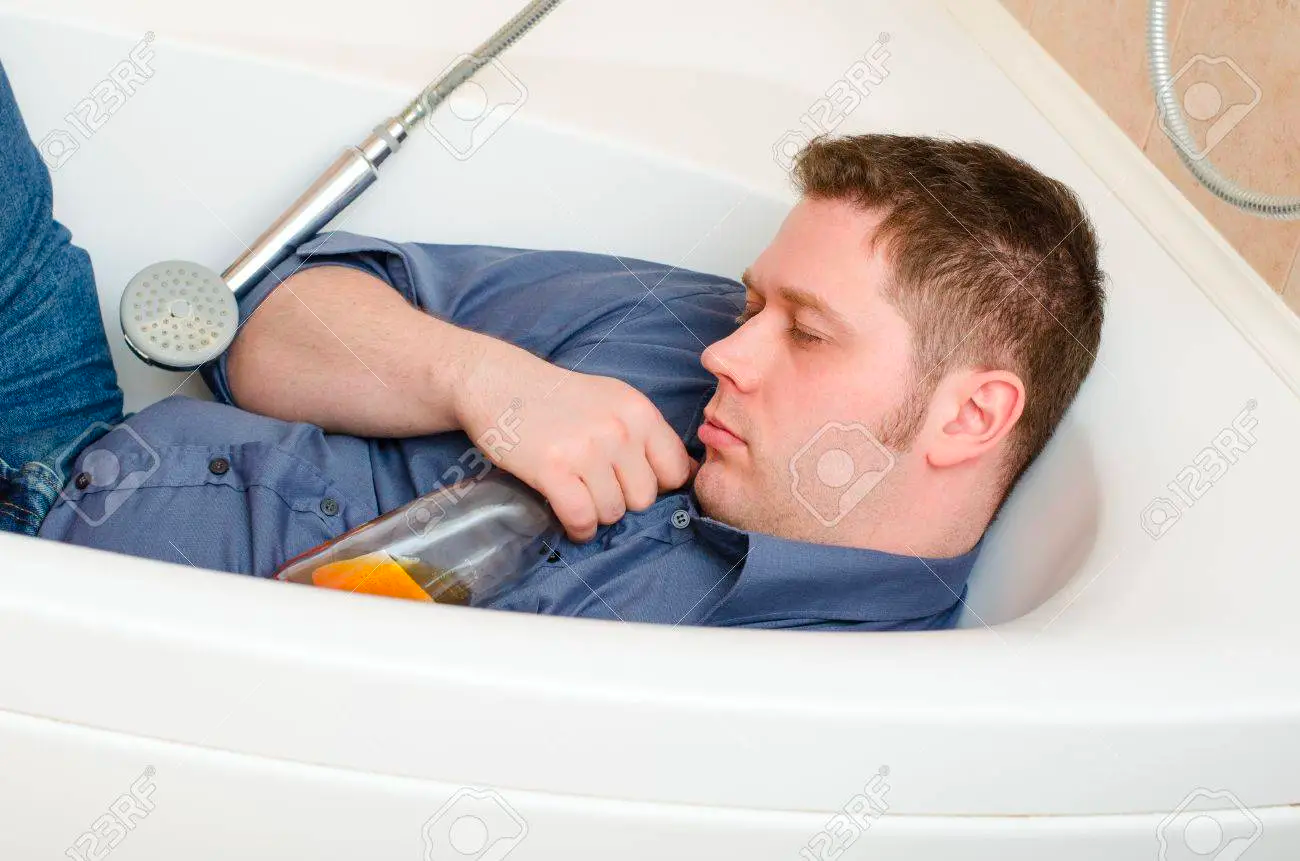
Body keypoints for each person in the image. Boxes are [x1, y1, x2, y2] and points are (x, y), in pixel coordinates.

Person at [1, 60, 1106, 630]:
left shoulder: (804, 691)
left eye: (806, 331)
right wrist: (486, 380)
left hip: (58, 601)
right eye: (755, 301)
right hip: (56, 401)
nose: (735, 348)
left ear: (971, 416)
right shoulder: (676, 327)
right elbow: (263, 324)